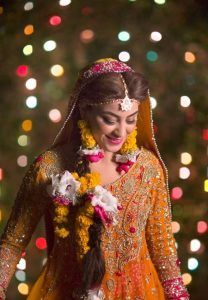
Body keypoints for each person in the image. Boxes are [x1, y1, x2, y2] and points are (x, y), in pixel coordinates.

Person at [0, 58, 189, 300]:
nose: (121, 132)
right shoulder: (49, 167)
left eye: (130, 120)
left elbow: (162, 248)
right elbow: (13, 243)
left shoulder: (148, 168)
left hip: (139, 292)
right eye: (110, 119)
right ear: (85, 109)